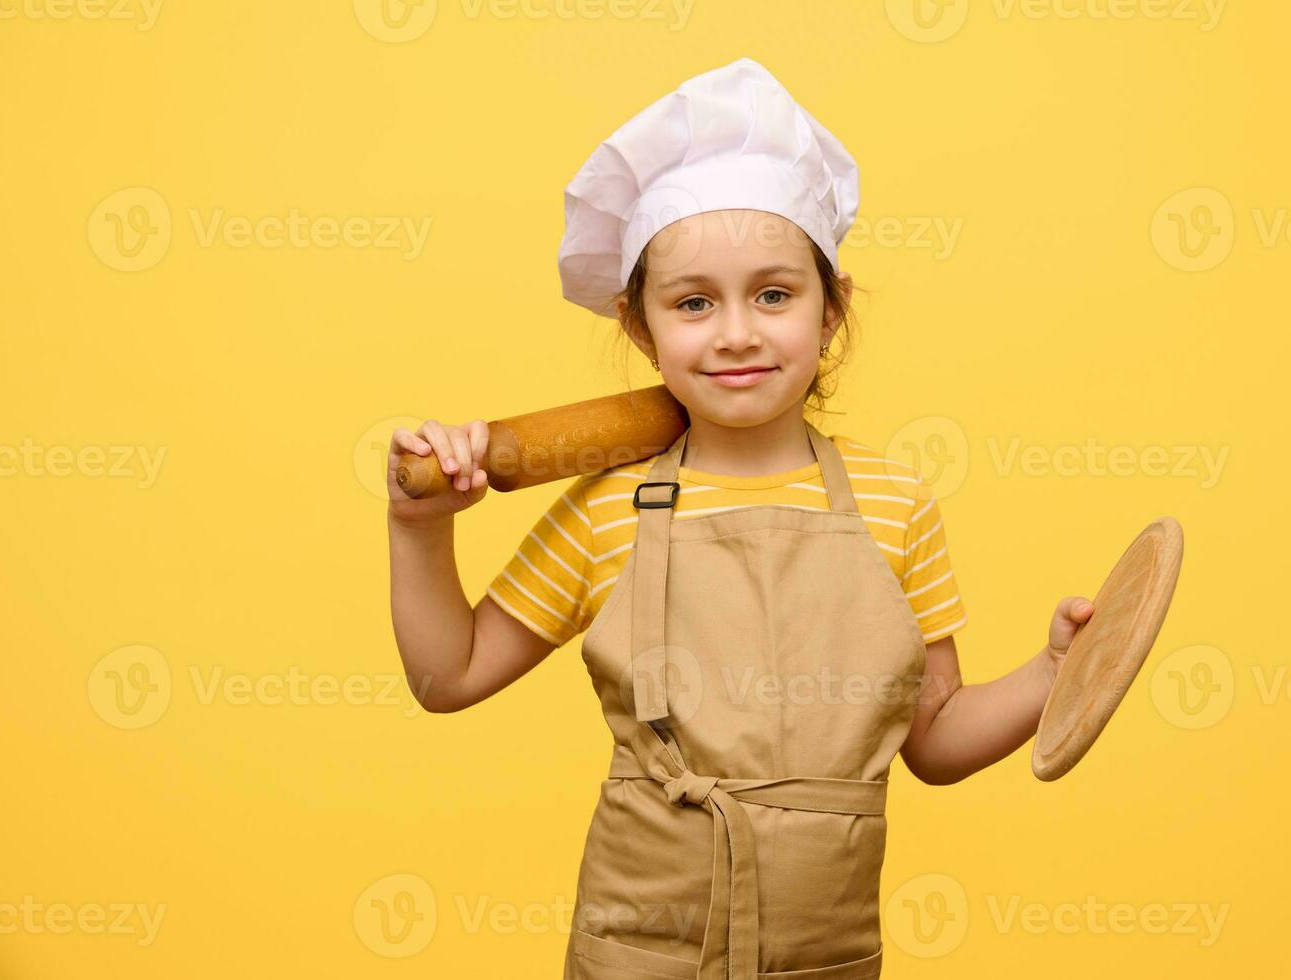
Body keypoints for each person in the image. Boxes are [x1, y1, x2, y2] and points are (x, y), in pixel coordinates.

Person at [385, 57, 1094, 980]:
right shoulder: (606, 509)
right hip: (638, 951)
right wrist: (420, 527)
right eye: (691, 303)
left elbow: (935, 744)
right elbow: (450, 677)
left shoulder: (892, 506)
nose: (735, 333)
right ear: (640, 328)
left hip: (823, 957)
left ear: (830, 309)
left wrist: (1055, 670)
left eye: (773, 293)